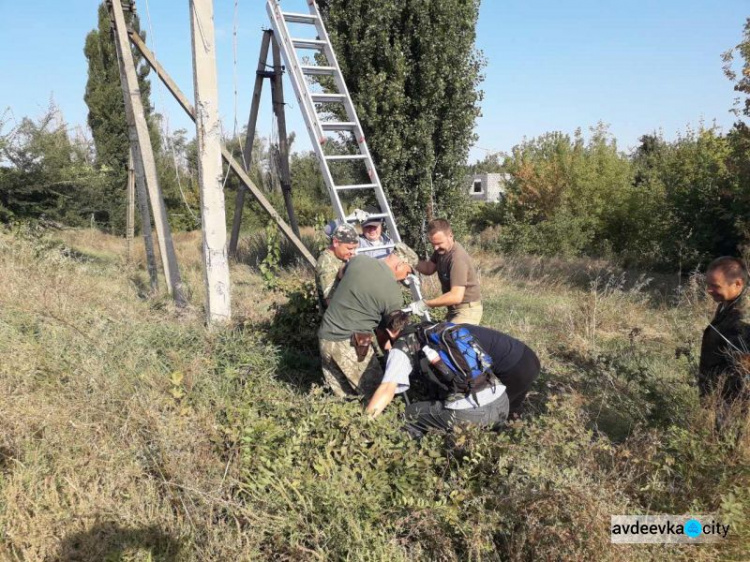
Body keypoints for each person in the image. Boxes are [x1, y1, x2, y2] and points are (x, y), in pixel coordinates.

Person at [366, 311, 540, 437]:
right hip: (501, 401)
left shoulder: (403, 345)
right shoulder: (441, 328)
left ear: (388, 332)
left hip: (474, 414)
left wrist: (363, 424)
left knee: (407, 415)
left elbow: (387, 388)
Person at [318, 243, 420, 398]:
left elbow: (340, 274)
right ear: (400, 264)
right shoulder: (393, 293)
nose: (406, 277)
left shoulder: (359, 260)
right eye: (408, 272)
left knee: (342, 400)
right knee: (375, 397)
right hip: (349, 345)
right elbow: (393, 331)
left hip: (325, 338)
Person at [407, 218, 483, 324]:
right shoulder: (441, 250)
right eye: (433, 244)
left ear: (450, 236)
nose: (436, 248)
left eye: (439, 243)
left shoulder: (457, 259)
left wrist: (426, 304)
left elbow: (456, 296)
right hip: (454, 310)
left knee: (450, 338)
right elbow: (428, 269)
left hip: (467, 311)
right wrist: (412, 260)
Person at [699, 256, 750, 404]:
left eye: (715, 286)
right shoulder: (728, 302)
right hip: (721, 396)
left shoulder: (743, 316)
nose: (709, 290)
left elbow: (744, 369)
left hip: (735, 402)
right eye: (708, 284)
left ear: (737, 283)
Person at [315, 221, 359, 309]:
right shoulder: (326, 264)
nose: (353, 252)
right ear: (335, 242)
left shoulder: (342, 255)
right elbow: (332, 303)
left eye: (355, 248)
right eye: (349, 248)